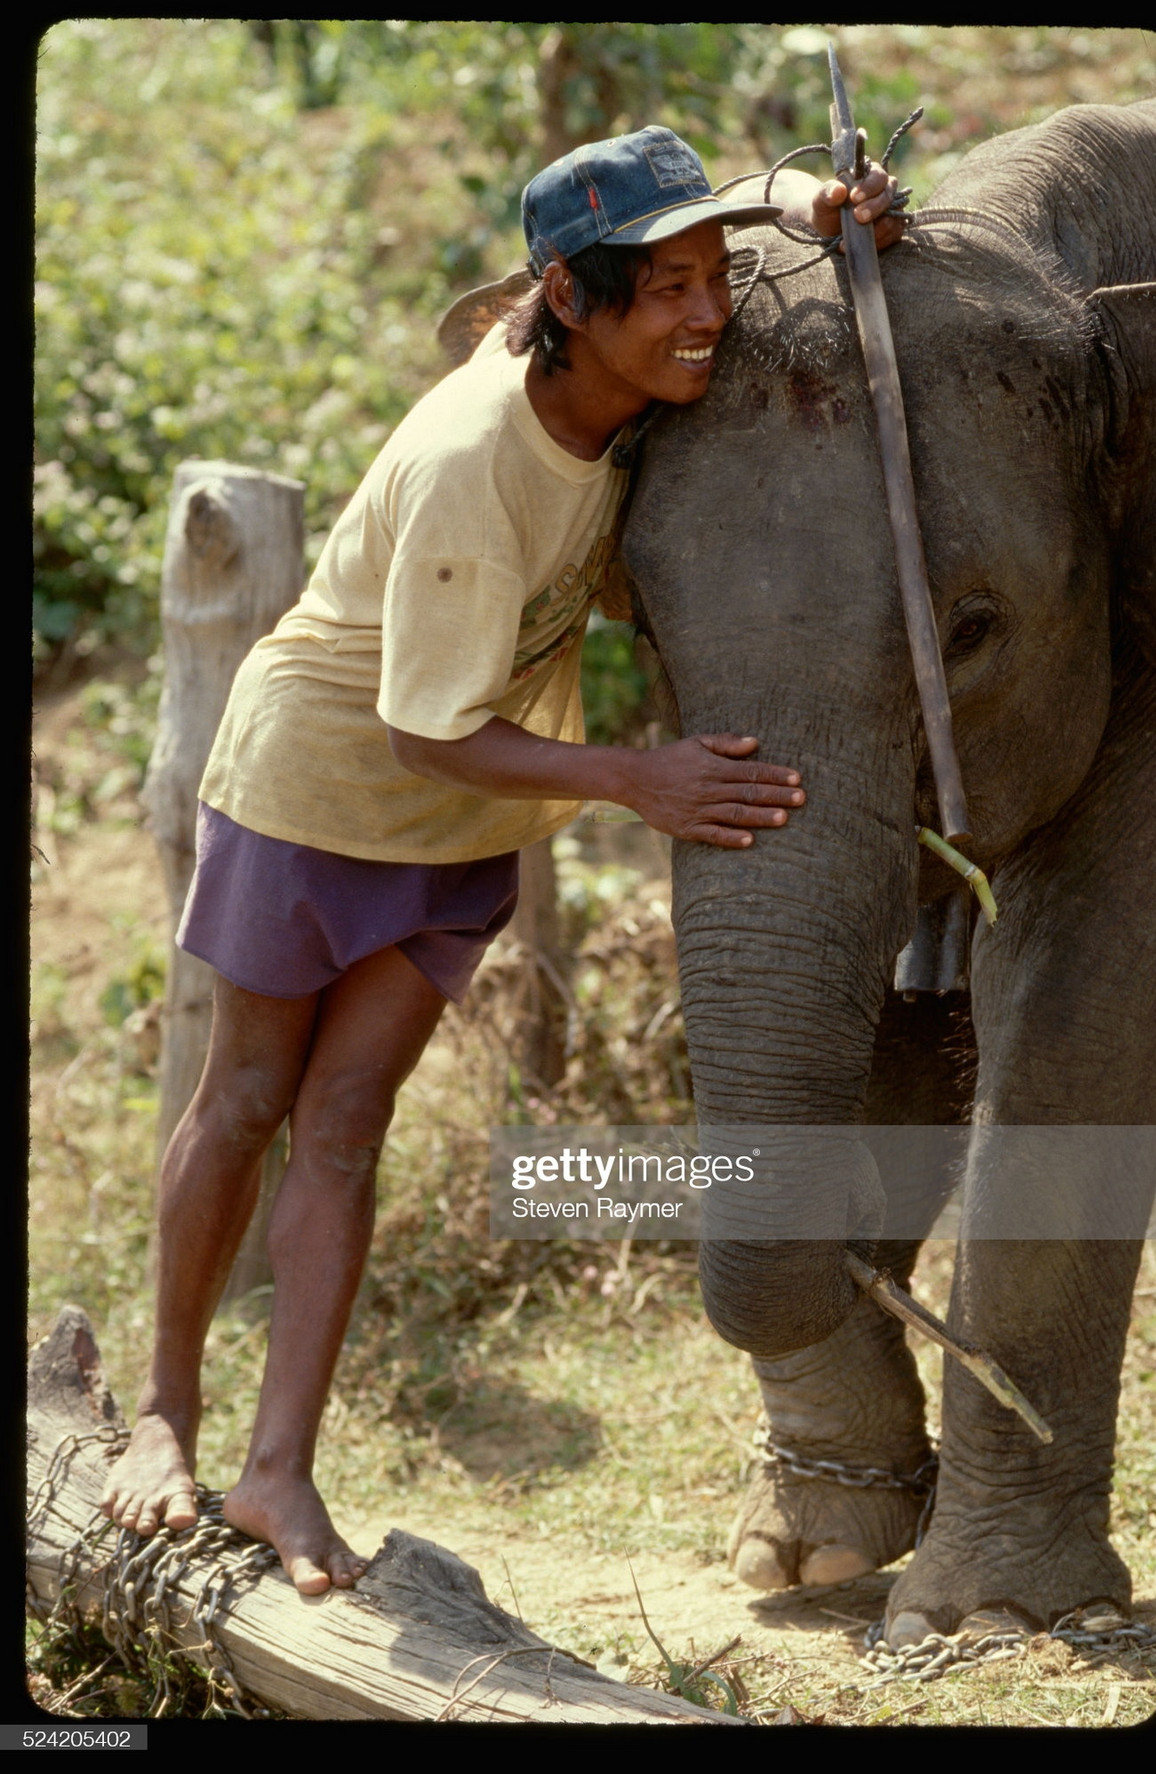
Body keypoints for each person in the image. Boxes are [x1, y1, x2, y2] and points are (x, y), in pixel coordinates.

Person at [100, 126, 899, 1593]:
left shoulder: (622, 392)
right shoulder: (482, 453)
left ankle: (277, 1471)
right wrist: (636, 782)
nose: (708, 312)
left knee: (344, 1130)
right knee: (247, 1101)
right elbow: (421, 726)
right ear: (568, 298)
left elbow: (737, 195)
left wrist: (811, 199)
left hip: (461, 820)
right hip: (317, 792)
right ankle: (162, 1414)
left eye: (715, 278)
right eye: (666, 287)